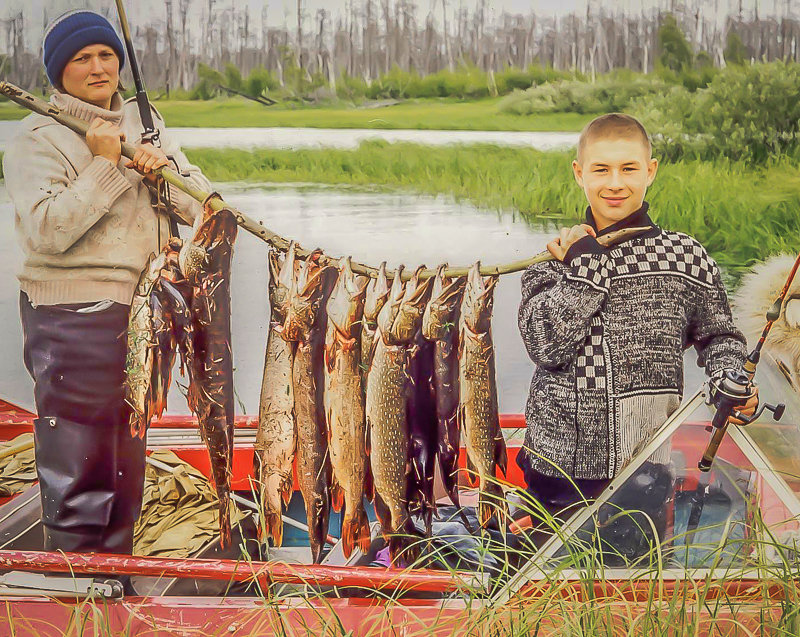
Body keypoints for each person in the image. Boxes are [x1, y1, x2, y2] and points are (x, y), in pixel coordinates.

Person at [2, 10, 211, 555]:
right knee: (80, 465)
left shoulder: (144, 124)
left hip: (139, 315)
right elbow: (48, 231)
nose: (98, 68)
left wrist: (163, 166)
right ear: (58, 72)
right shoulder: (37, 137)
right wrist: (107, 165)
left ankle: (110, 582)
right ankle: (74, 589)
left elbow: (205, 209)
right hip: (72, 319)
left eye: (106, 56)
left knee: (124, 461)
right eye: (81, 58)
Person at [516, 113, 758, 549]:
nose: (615, 183)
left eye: (629, 168)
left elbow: (719, 336)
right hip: (559, 465)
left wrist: (729, 376)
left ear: (651, 171)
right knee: (548, 583)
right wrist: (585, 268)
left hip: (646, 461)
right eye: (601, 169)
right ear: (579, 174)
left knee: (631, 578)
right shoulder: (551, 260)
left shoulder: (685, 256)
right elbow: (545, 345)